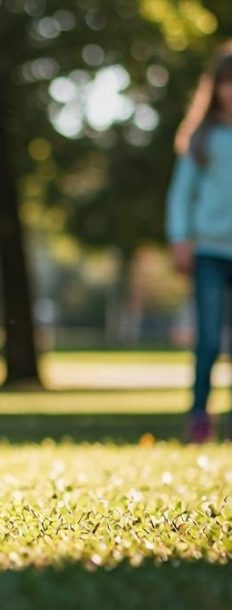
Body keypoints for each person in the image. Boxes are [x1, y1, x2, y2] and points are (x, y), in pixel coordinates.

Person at [167, 43, 232, 443]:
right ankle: (199, 418)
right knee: (207, 339)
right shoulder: (202, 139)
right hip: (208, 251)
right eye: (227, 84)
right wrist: (179, 239)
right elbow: (180, 195)